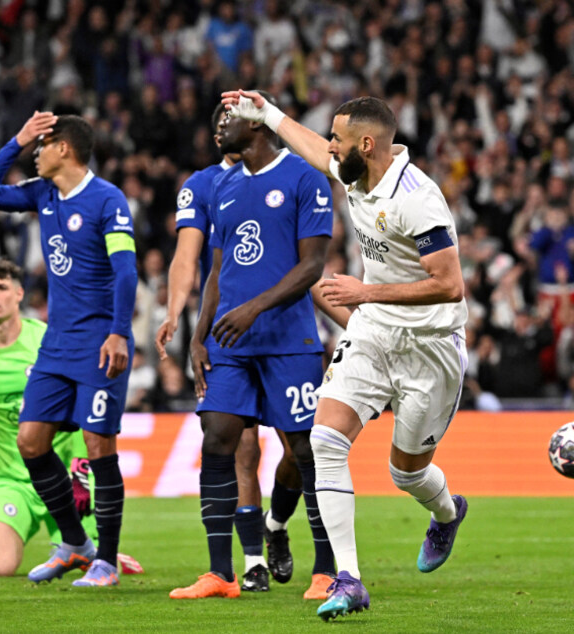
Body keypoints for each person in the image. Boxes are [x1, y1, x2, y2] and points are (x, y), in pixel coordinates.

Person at [223, 91, 469, 621]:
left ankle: (447, 512)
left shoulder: (418, 198)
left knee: (406, 474)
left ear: (365, 143)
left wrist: (366, 292)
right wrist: (266, 113)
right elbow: (314, 149)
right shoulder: (358, 172)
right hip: (376, 334)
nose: (331, 147)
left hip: (430, 348)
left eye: (338, 137)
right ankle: (349, 578)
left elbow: (449, 285)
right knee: (325, 439)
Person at [170, 91, 336, 601]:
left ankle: (326, 570)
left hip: (288, 340)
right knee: (217, 438)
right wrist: (198, 337)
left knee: (306, 450)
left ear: (258, 126)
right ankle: (220, 573)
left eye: (229, 118)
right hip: (228, 344)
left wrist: (253, 309)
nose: (219, 127)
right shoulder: (220, 185)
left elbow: (312, 267)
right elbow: (217, 270)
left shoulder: (305, 178)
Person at [0, 111, 138, 586]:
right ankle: (74, 544)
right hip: (58, 344)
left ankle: (106, 558)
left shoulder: (107, 199)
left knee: (99, 444)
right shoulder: (42, 194)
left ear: (64, 148)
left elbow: (125, 271)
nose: (35, 154)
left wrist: (119, 331)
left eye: (41, 145)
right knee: (30, 440)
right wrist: (16, 140)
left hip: (102, 341)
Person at [0, 260, 143, 578]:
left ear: (19, 294)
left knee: (92, 563)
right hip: (11, 482)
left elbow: (82, 402)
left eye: (2, 287)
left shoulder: (47, 342)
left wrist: (80, 468)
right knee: (0, 568)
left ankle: (102, 551)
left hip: (62, 478)